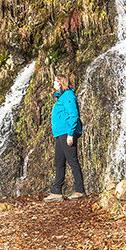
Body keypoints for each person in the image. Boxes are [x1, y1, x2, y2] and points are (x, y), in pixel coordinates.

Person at [45, 73, 84, 201]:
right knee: (59, 161)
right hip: (60, 133)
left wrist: (71, 134)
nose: (54, 83)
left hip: (67, 132)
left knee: (72, 160)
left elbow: (74, 115)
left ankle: (80, 190)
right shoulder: (61, 97)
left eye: (55, 81)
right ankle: (56, 191)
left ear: (61, 82)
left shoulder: (68, 95)